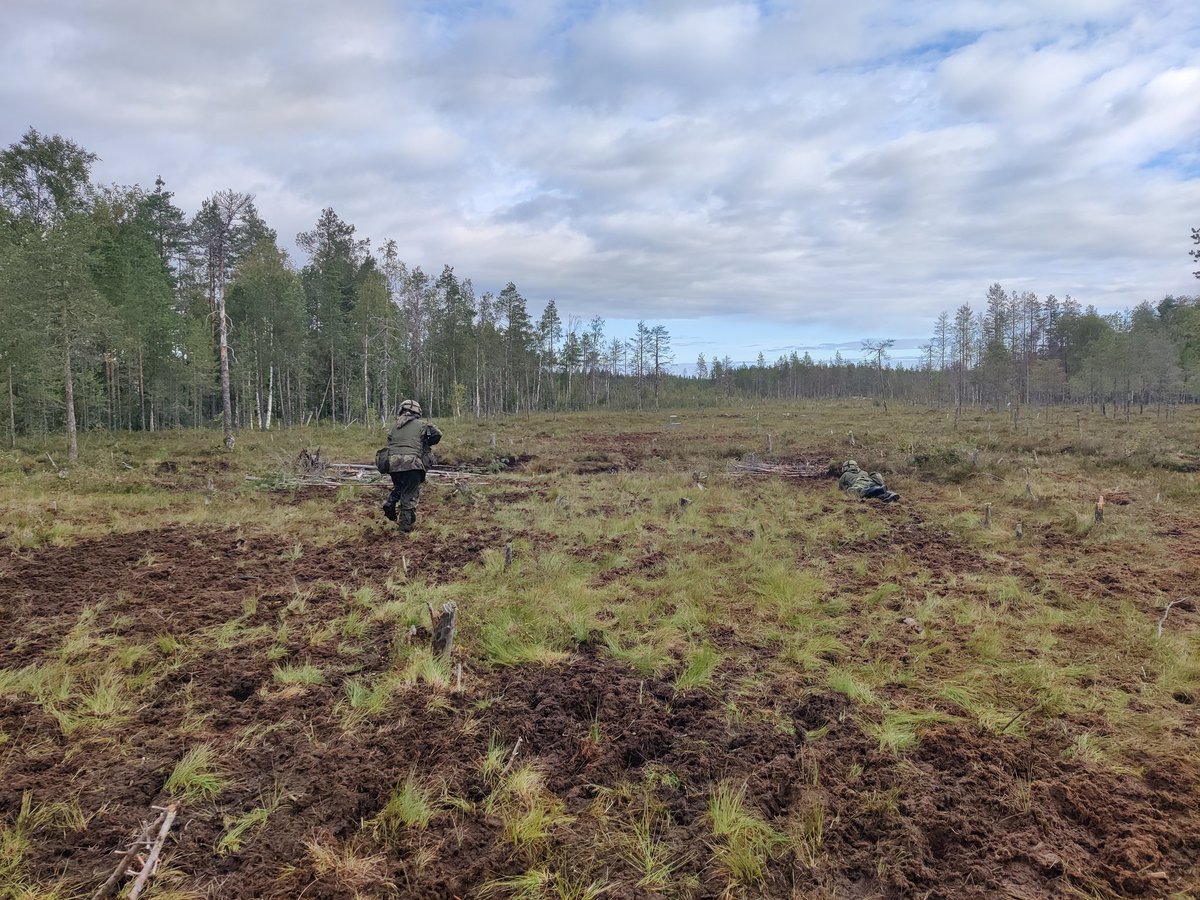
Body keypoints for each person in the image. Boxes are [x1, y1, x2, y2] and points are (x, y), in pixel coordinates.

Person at [382, 399, 442, 531]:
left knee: (401, 486)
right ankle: (405, 528)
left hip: (393, 464)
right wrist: (426, 441)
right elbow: (438, 435)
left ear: (401, 410)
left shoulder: (394, 427)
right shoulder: (422, 425)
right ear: (417, 412)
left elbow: (390, 443)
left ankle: (391, 501)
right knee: (409, 494)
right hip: (412, 464)